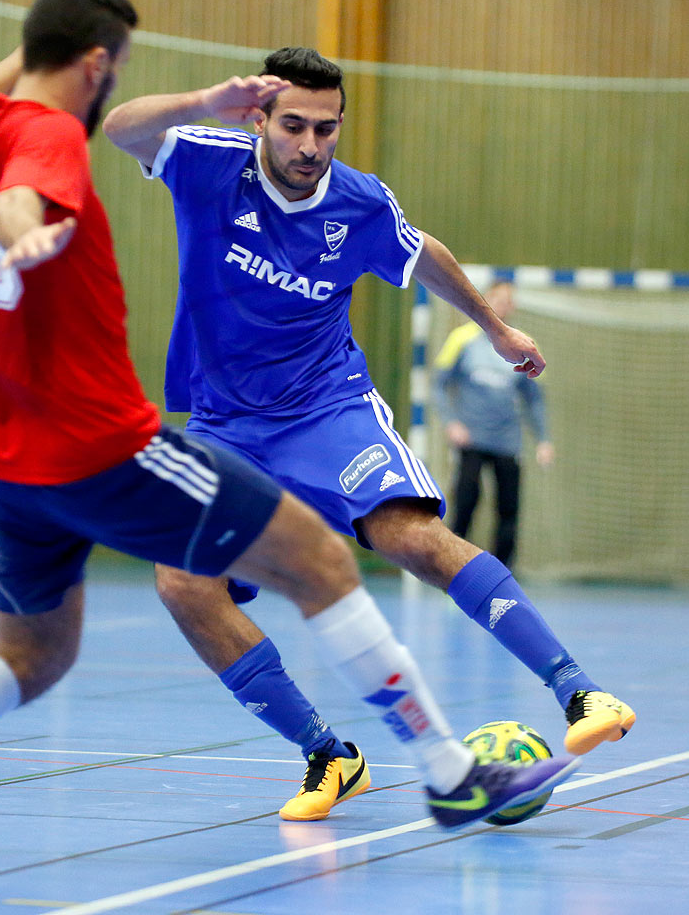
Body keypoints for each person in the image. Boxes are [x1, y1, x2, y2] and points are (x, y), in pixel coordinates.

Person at [0, 0, 577, 854]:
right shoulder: (48, 137)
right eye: (115, 67)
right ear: (96, 64)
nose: (117, 86)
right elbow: (27, 189)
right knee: (322, 559)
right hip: (102, 445)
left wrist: (53, 48)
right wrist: (24, 229)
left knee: (34, 657)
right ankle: (451, 775)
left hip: (14, 462)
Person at [103, 47, 634, 822]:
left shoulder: (360, 204)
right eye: (293, 126)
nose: (310, 146)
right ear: (260, 119)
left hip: (326, 408)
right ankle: (329, 756)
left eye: (326, 128)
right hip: (222, 425)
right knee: (182, 583)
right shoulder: (208, 162)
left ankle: (579, 690)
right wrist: (204, 99)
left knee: (410, 537)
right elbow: (119, 127)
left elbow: (426, 256)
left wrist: (493, 327)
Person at [435, 279, 555, 568]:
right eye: (497, 298)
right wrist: (451, 423)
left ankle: (503, 578)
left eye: (508, 300)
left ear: (512, 307)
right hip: (472, 440)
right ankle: (454, 571)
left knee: (508, 511)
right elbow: (438, 385)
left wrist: (544, 439)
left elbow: (534, 398)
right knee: (466, 505)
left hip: (507, 443)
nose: (502, 305)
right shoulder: (461, 339)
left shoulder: (524, 345)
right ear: (486, 300)